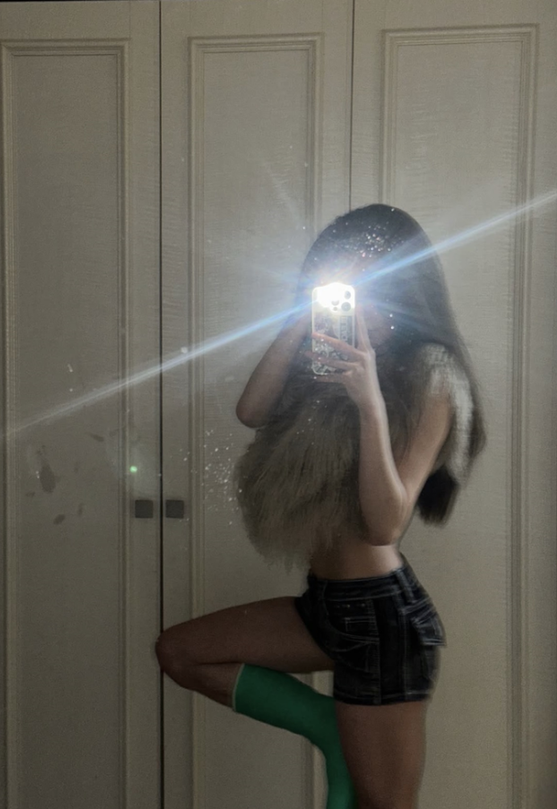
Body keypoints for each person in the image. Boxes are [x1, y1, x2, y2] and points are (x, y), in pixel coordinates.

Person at [155, 204, 486, 809]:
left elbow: (385, 524)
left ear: (401, 283)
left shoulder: (431, 375)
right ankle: (331, 727)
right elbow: (252, 412)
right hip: (327, 604)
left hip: (382, 618)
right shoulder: (325, 350)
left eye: (368, 277)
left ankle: (349, 738)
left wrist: (369, 402)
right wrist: (297, 323)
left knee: (383, 805)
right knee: (180, 652)